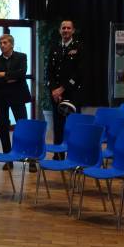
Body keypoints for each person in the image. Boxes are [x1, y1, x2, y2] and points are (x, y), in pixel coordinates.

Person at [0, 34, 34, 171]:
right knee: (3, 128)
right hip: (1, 97)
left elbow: (21, 74)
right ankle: (8, 159)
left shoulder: (21, 57)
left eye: (5, 43)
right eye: (0, 43)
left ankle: (31, 159)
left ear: (11, 45)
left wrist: (3, 75)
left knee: (23, 127)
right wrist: (10, 77)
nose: (2, 45)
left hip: (18, 96)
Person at [46, 20, 83, 159]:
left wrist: (62, 89)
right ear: (59, 31)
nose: (66, 30)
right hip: (56, 95)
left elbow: (79, 73)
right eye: (63, 28)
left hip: (72, 93)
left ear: (73, 31)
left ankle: (74, 156)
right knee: (58, 126)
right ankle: (58, 155)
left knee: (74, 126)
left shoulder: (79, 47)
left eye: (68, 28)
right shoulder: (54, 47)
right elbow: (49, 71)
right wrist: (54, 90)